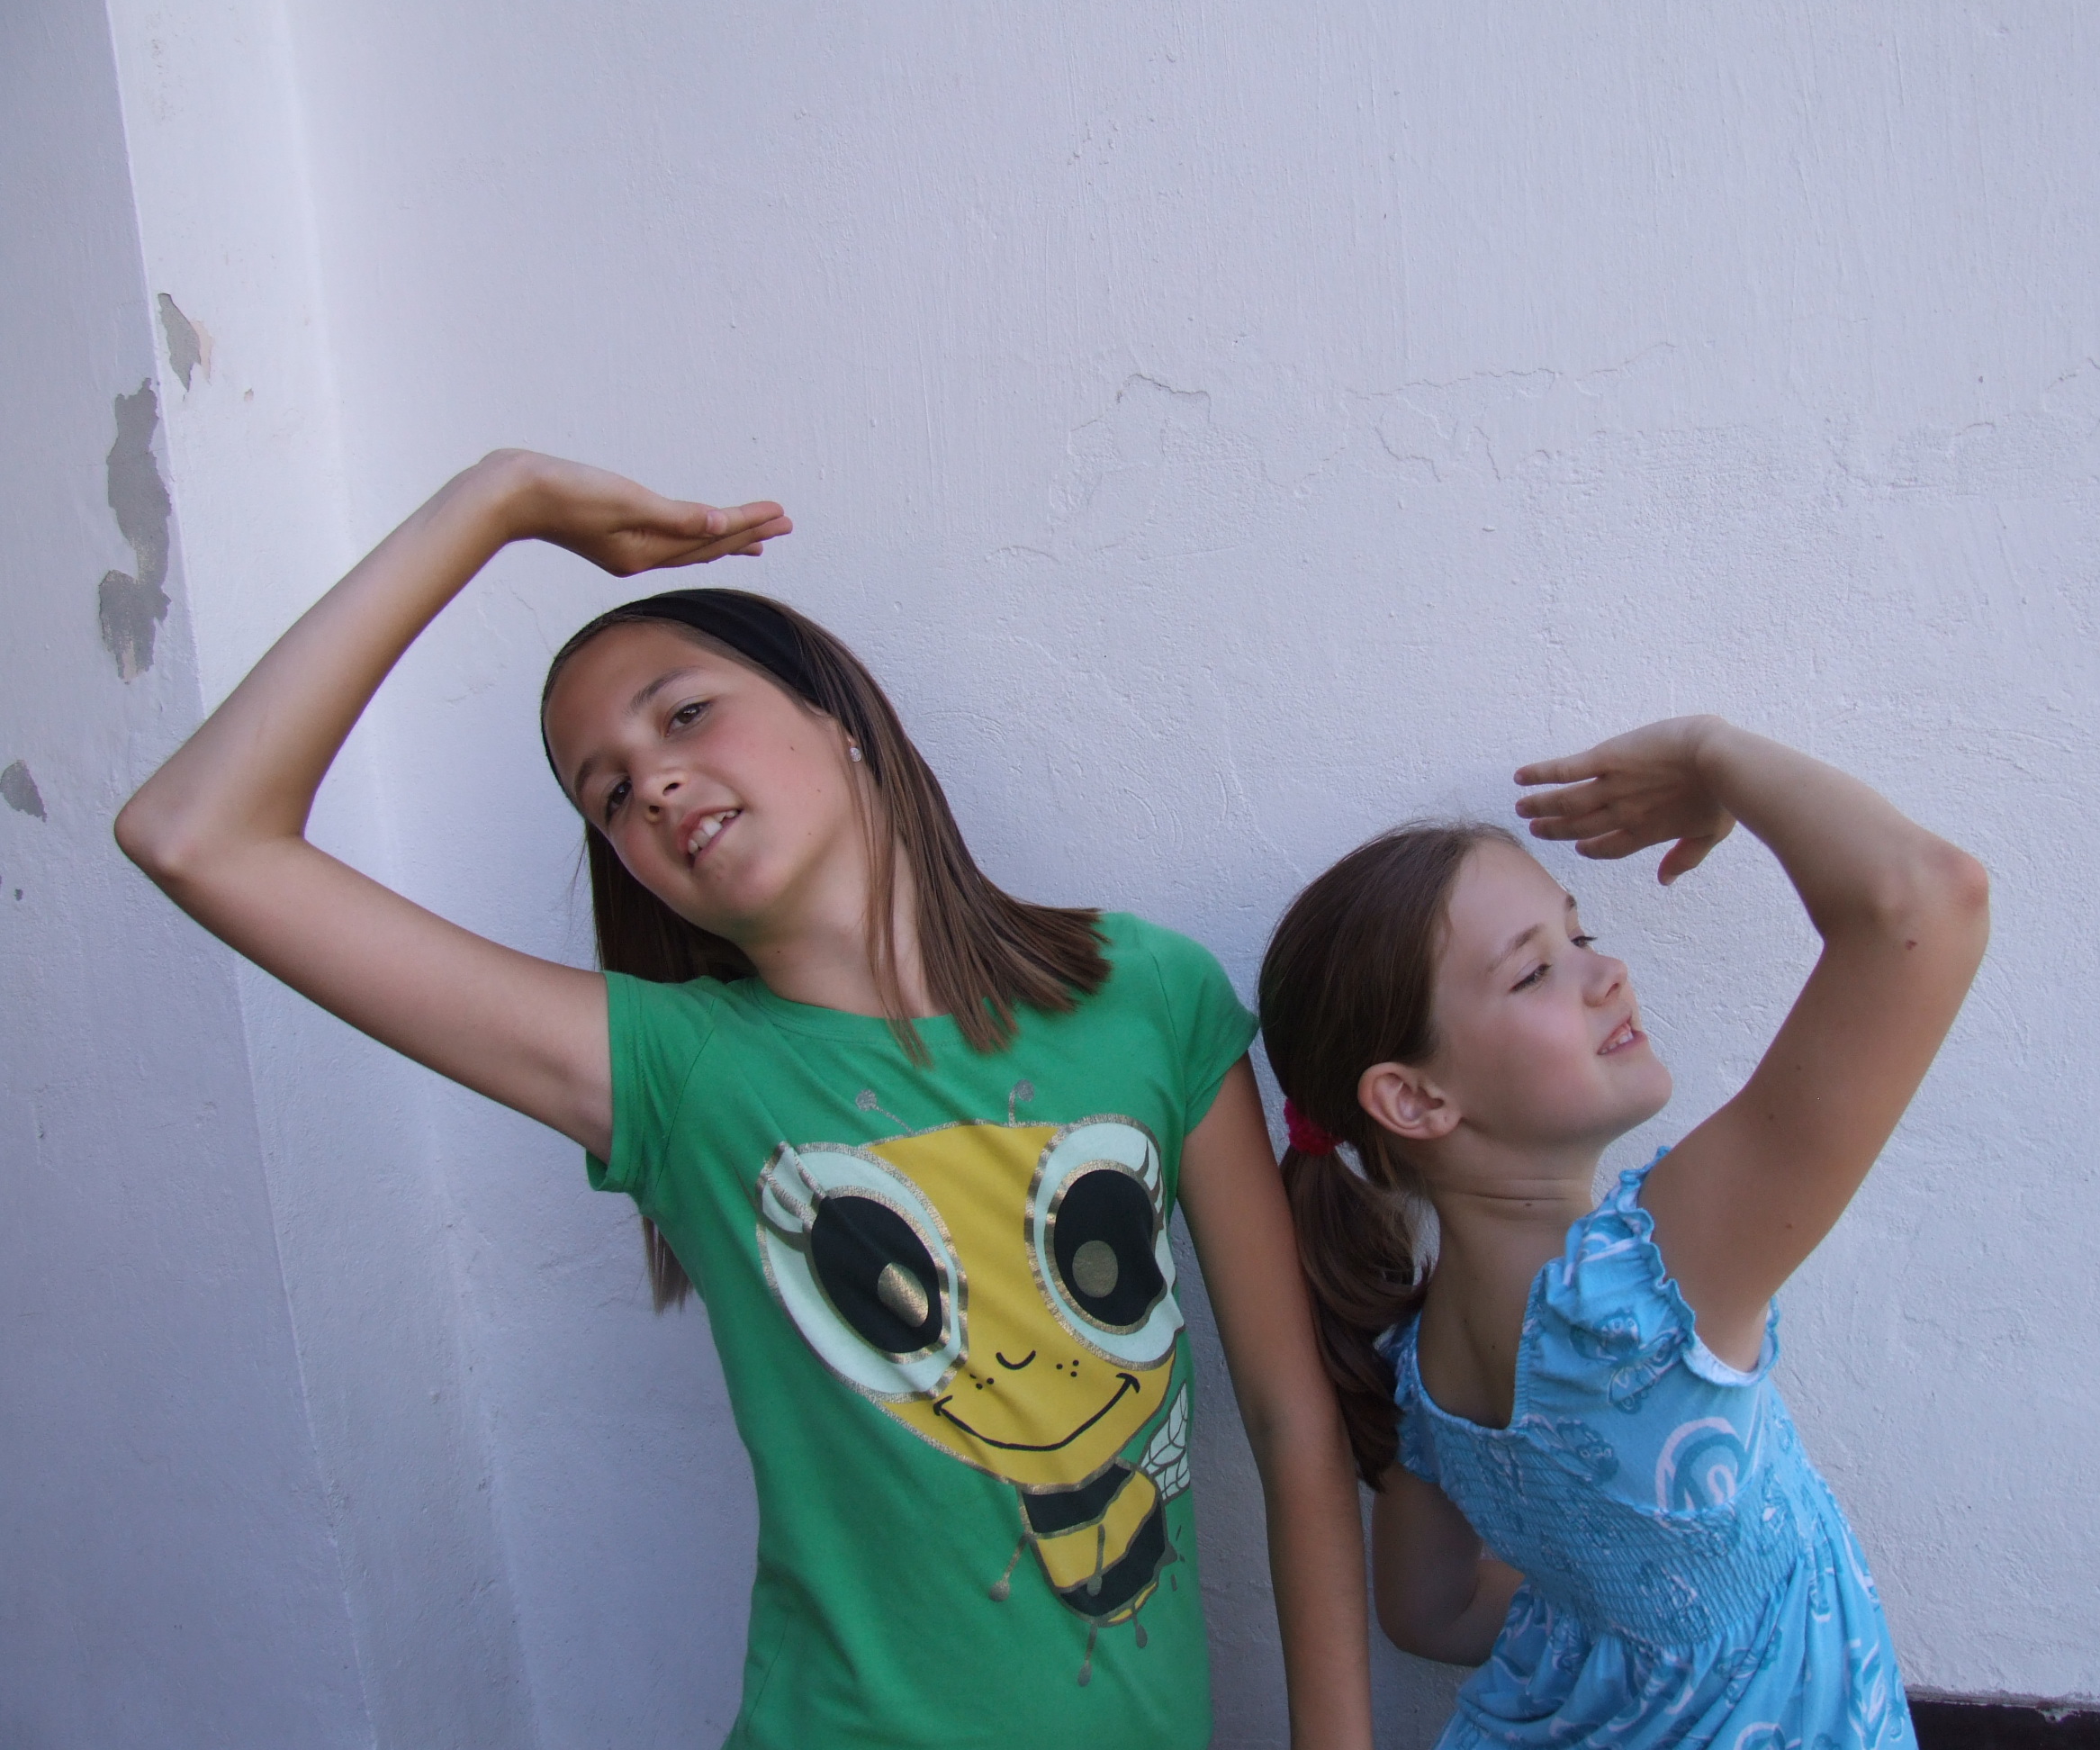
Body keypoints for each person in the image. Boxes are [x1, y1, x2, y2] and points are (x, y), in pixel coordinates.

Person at [114, 450, 1373, 1749]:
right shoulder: (676, 1075)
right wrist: (497, 505)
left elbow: (1291, 1422)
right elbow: (195, 835)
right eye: (609, 793)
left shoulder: (1146, 992)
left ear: (839, 715)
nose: (651, 783)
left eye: (683, 716)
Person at [1256, 716, 1989, 1750]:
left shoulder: (1424, 1365)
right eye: (1532, 973)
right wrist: (1709, 755)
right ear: (1414, 1100)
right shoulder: (1650, 1289)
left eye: (1583, 937)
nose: (1607, 976)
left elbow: (1431, 1610)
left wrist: (1630, 1613)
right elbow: (1930, 904)